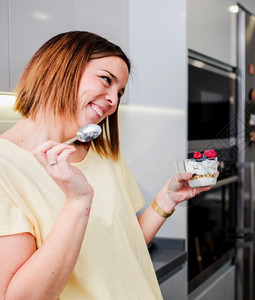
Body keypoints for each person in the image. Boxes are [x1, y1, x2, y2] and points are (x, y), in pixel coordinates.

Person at [0, 31, 210, 299]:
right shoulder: (4, 168)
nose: (113, 101)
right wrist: (78, 201)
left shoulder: (105, 155)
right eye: (106, 80)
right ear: (62, 67)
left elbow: (125, 245)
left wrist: (166, 199)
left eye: (119, 93)